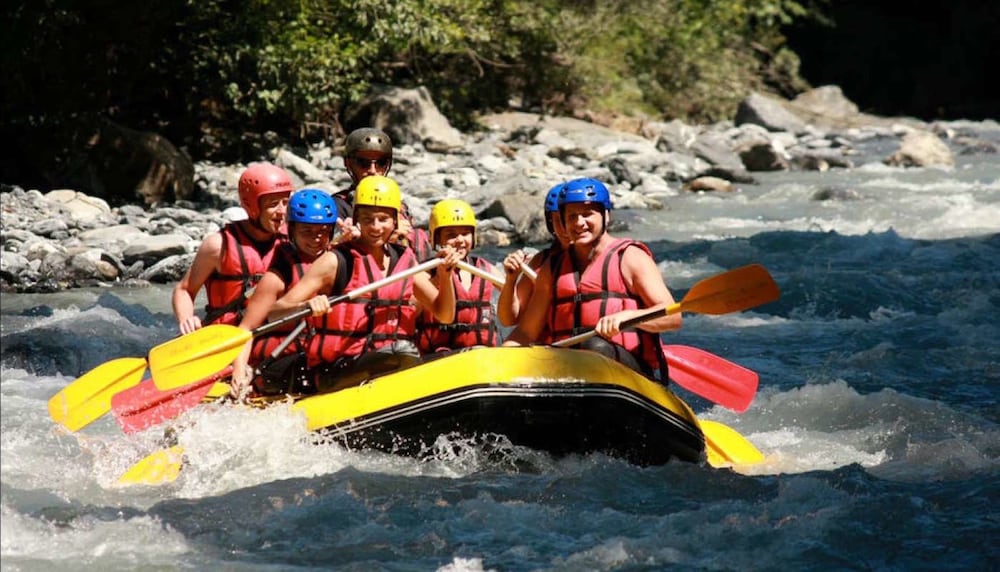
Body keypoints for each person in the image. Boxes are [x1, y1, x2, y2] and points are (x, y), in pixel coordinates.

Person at [268, 175, 460, 393]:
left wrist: (446, 276)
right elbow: (274, 313)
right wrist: (306, 307)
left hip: (391, 362)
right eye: (367, 219)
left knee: (408, 353)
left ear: (395, 221)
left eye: (383, 219)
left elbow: (445, 315)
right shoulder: (335, 261)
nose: (375, 227)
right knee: (402, 352)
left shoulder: (405, 260)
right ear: (357, 217)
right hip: (338, 370)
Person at [502, 178, 679, 380]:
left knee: (593, 346)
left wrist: (629, 316)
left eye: (587, 214)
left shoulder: (630, 257)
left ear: (605, 215)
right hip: (568, 369)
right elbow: (525, 332)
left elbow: (672, 317)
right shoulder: (552, 267)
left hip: (628, 371)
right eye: (571, 217)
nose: (579, 223)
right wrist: (500, 359)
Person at [230, 189, 339, 396]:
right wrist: (239, 371)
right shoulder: (277, 276)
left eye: (323, 231)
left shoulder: (339, 262)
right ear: (292, 231)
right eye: (307, 231)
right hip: (282, 362)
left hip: (323, 353)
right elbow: (246, 329)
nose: (316, 239)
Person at [172, 162, 292, 334]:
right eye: (273, 204)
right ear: (252, 206)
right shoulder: (218, 246)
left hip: (272, 336)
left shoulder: (292, 240)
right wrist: (186, 319)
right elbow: (184, 290)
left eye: (286, 202)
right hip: (228, 336)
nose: (282, 212)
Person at [417, 199, 503, 353]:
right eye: (451, 235)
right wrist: (440, 277)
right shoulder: (424, 272)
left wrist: (514, 275)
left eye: (465, 233)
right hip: (438, 357)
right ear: (436, 238)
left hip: (481, 353)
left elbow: (516, 302)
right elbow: (413, 308)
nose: (460, 240)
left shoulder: (485, 269)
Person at [337, 127, 432, 260]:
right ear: (349, 164)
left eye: (380, 163)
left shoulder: (400, 206)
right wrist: (386, 240)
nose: (372, 170)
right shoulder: (337, 206)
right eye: (363, 163)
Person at [496, 183, 571, 331]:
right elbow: (509, 319)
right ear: (551, 224)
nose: (566, 227)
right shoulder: (541, 262)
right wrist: (511, 280)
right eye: (558, 220)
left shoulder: (608, 258)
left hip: (595, 347)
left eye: (570, 218)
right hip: (551, 348)